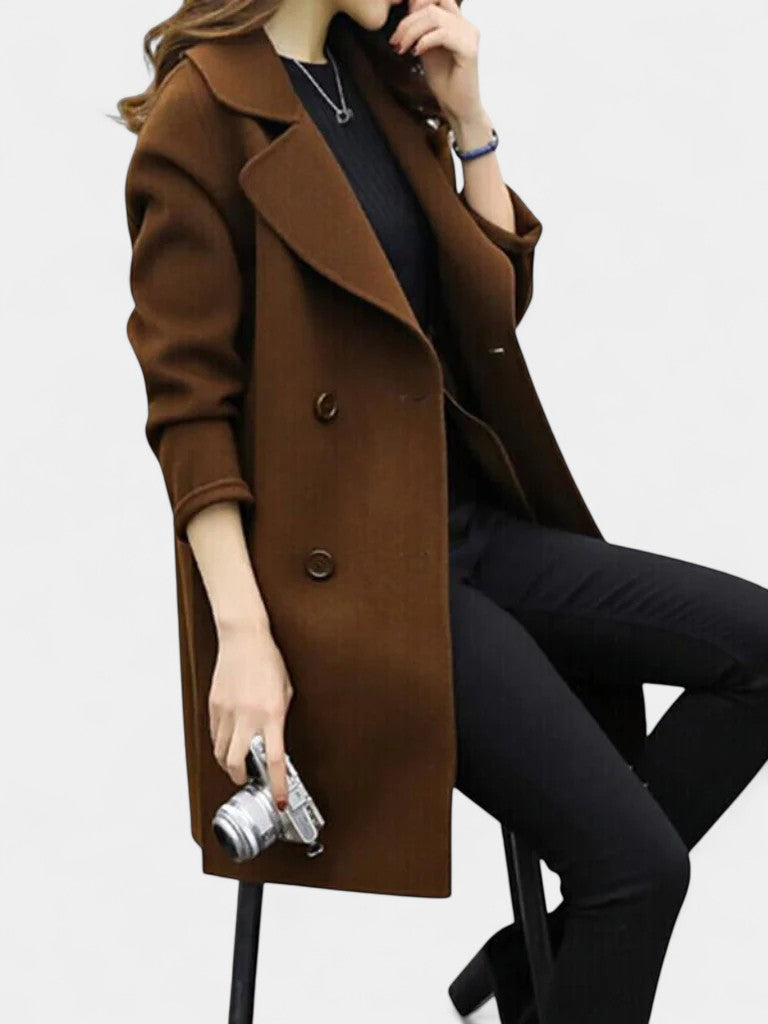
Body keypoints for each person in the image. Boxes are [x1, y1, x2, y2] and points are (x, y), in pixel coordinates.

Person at [118, 2, 768, 1021]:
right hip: (344, 586)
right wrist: (242, 637)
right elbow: (189, 409)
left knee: (757, 649)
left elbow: (488, 313)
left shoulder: (374, 84)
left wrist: (469, 121)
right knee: (637, 871)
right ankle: (570, 947)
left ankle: (536, 964)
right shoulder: (204, 111)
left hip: (462, 529)